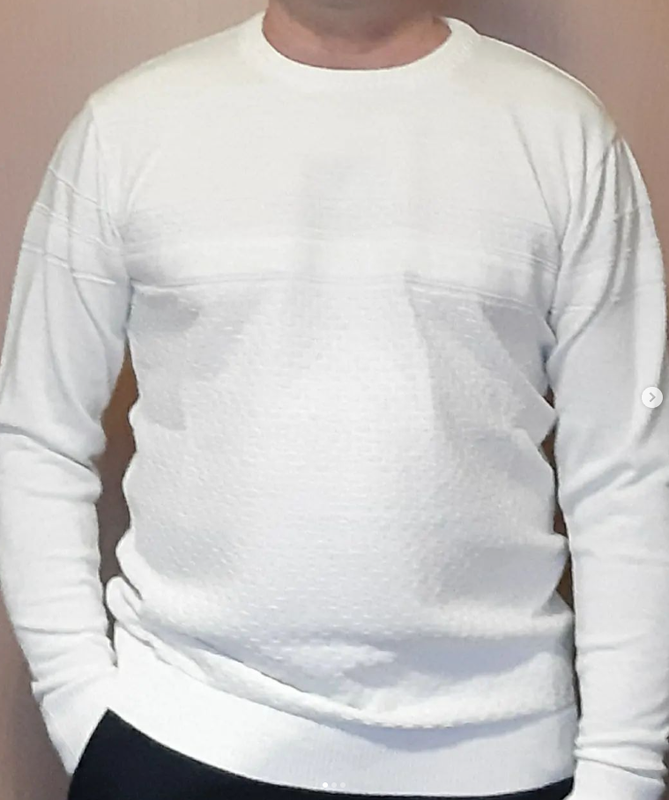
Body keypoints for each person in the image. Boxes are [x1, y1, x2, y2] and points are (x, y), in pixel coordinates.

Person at [0, 1, 668, 799]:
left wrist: (624, 770)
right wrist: (80, 704)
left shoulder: (562, 133)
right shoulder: (128, 127)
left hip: (502, 757)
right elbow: (34, 434)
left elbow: (626, 473)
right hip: (175, 736)